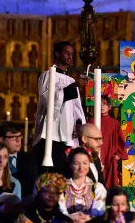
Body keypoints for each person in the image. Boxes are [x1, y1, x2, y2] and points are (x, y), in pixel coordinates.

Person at [34, 41, 86, 173]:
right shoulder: (47, 75)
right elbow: (49, 100)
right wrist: (73, 87)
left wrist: (79, 125)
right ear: (57, 53)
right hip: (50, 132)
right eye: (66, 53)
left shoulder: (71, 81)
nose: (70, 56)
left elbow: (76, 107)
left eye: (72, 54)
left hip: (67, 133)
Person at [88, 95, 127, 188]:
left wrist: (118, 155)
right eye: (100, 104)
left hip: (109, 157)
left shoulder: (114, 123)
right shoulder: (91, 121)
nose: (102, 106)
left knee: (109, 186)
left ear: (109, 107)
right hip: (94, 155)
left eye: (104, 104)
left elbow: (121, 140)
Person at [59, 147, 106, 222]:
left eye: (85, 163)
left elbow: (98, 212)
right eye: (76, 163)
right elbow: (61, 211)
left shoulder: (97, 188)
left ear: (89, 164)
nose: (81, 167)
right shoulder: (61, 187)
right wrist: (73, 218)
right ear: (70, 165)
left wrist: (86, 219)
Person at [0, 122, 38, 198]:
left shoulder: (30, 159)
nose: (18, 140)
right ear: (2, 139)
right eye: (13, 137)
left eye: (19, 136)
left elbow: (34, 186)